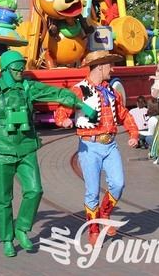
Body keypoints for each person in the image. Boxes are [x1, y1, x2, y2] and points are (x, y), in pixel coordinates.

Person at [0, 50, 98, 257]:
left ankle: (22, 228)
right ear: (5, 69)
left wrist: (80, 104)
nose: (20, 71)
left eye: (22, 67)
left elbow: (56, 93)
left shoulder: (27, 87)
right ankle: (7, 238)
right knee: (4, 199)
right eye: (16, 68)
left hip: (26, 146)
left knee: (35, 190)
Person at [54, 50, 139, 246]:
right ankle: (93, 229)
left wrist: (133, 134)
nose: (113, 69)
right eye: (110, 65)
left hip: (110, 145)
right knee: (92, 191)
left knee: (118, 184)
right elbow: (60, 113)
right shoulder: (78, 90)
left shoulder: (111, 91)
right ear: (100, 67)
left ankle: (105, 213)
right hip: (89, 147)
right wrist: (65, 120)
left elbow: (124, 114)